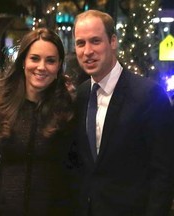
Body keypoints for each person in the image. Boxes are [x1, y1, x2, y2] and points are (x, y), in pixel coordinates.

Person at [70, 10, 174, 216]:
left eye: (95, 41)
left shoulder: (148, 95)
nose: (87, 51)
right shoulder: (80, 95)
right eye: (81, 43)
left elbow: (164, 173)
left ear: (113, 41)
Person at [0, 28, 75, 215]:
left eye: (50, 60)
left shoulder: (67, 110)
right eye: (35, 58)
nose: (41, 67)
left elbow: (72, 174)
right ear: (23, 62)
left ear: (59, 66)